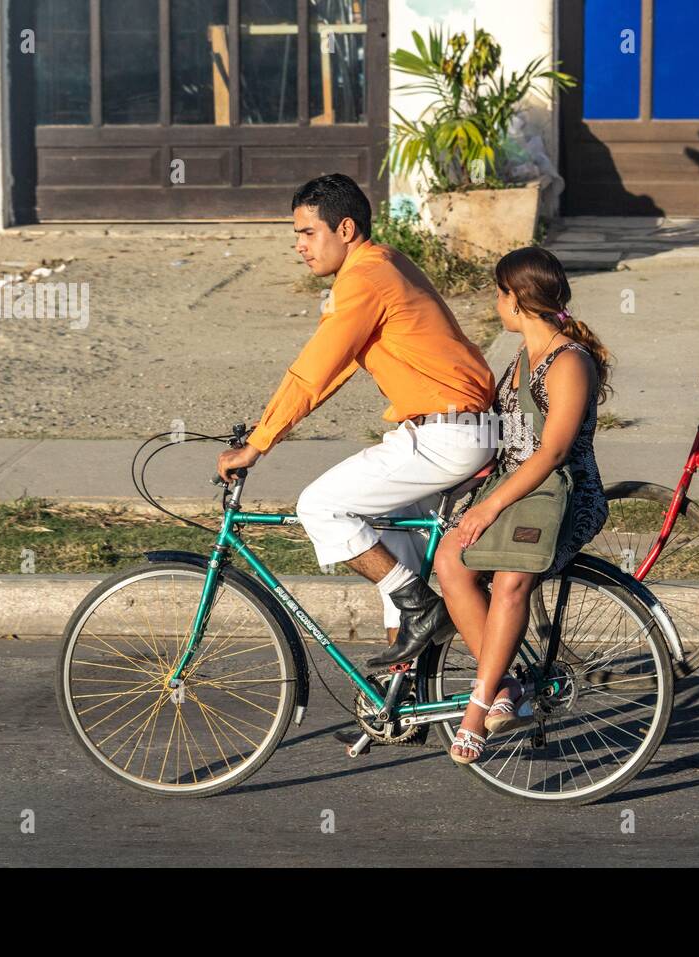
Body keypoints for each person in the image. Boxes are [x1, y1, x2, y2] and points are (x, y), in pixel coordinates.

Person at [216, 173, 496, 674]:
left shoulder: (363, 279)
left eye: (307, 233)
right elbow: (333, 371)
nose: (299, 246)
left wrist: (256, 445)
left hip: (448, 434)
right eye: (296, 235)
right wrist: (267, 429)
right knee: (397, 553)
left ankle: (424, 610)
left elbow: (313, 370)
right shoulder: (386, 262)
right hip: (454, 429)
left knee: (318, 506)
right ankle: (399, 701)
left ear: (344, 229)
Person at [433, 246, 611, 764]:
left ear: (517, 298)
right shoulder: (519, 359)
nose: (495, 302)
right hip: (517, 491)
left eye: (498, 293)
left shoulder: (569, 363)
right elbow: (507, 441)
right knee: (450, 560)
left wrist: (487, 511)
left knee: (511, 580)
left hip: (566, 494)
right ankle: (505, 682)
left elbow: (553, 452)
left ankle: (477, 708)